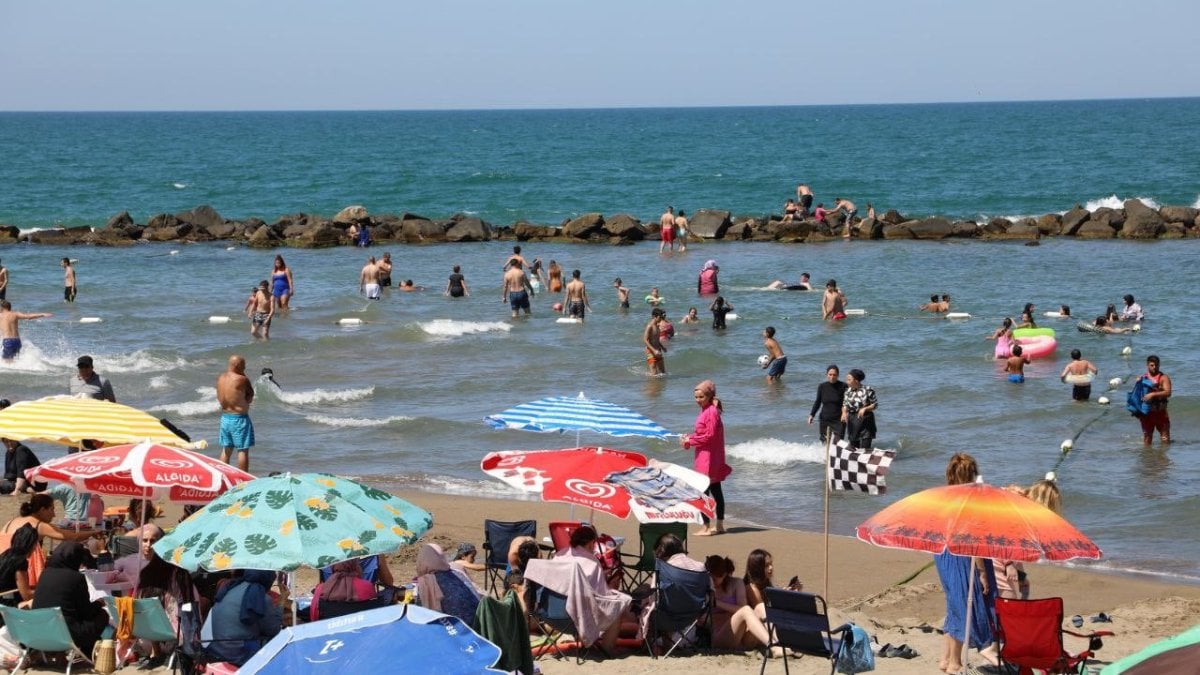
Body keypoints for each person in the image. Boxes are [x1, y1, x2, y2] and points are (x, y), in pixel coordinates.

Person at [936, 453, 999, 673]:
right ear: (971, 474)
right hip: (964, 556)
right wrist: (982, 572)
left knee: (954, 604)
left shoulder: (943, 497)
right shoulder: (970, 502)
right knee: (966, 606)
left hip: (944, 554)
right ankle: (955, 662)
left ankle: (946, 660)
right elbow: (974, 542)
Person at [33, 542, 110, 656]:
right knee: (102, 615)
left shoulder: (44, 574)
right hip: (66, 634)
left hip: (40, 632)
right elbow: (86, 612)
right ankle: (88, 650)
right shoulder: (76, 578)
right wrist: (99, 604)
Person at [1, 494, 94, 587]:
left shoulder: (12, 521)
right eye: (52, 509)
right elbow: (73, 537)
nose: (54, 514)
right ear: (42, 510)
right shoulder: (38, 524)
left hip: (3, 562)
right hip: (18, 566)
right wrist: (93, 533)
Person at [682, 380, 732, 536]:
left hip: (708, 459)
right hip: (710, 457)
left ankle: (707, 527)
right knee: (715, 490)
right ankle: (719, 525)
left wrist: (691, 440)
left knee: (702, 493)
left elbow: (709, 436)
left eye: (701, 397)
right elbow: (702, 434)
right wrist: (689, 438)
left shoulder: (711, 412)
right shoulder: (707, 410)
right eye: (696, 397)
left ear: (709, 396)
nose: (698, 400)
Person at [207, 570, 282, 667]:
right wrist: (282, 602)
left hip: (215, 648)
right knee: (278, 642)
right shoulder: (261, 597)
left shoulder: (232, 587)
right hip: (237, 653)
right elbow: (274, 630)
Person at [704, 555, 773, 652]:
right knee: (746, 610)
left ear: (724, 575)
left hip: (742, 636)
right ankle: (772, 646)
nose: (712, 582)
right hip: (720, 636)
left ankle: (777, 644)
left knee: (760, 607)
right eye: (710, 578)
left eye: (715, 579)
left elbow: (741, 608)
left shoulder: (736, 583)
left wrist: (717, 603)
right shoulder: (705, 587)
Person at [416, 543, 481, 627]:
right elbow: (474, 594)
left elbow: (420, 611)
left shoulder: (425, 583)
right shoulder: (457, 573)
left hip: (452, 627)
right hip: (475, 623)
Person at [217, 355, 255, 471]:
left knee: (226, 449)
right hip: (239, 419)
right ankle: (244, 480)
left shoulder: (221, 378)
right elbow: (250, 396)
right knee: (243, 450)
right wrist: (243, 375)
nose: (244, 369)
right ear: (238, 366)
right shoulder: (242, 379)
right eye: (243, 366)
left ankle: (223, 475)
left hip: (225, 418)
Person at [310, 559, 377, 621]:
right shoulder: (367, 587)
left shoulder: (320, 590)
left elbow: (314, 617)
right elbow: (372, 615)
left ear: (333, 566)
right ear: (356, 565)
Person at [0, 524, 37, 611]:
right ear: (31, 544)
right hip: (6, 604)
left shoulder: (5, 554)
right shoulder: (20, 561)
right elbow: (26, 595)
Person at [808, 365, 848, 444]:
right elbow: (818, 402)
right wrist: (812, 415)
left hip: (839, 420)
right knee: (825, 442)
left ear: (838, 375)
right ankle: (826, 456)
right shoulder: (822, 386)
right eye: (830, 374)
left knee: (839, 443)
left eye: (834, 375)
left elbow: (847, 401)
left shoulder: (843, 386)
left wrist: (845, 413)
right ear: (826, 374)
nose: (832, 377)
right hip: (825, 419)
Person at [841, 369, 878, 449]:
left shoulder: (868, 390)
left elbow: (875, 405)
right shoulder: (847, 391)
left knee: (865, 448)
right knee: (853, 447)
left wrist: (865, 409)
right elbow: (844, 405)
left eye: (849, 379)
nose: (847, 381)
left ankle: (866, 460)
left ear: (856, 380)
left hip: (866, 421)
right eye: (847, 379)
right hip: (852, 421)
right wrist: (844, 413)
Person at [1139, 355, 1171, 445]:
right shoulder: (1143, 378)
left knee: (1165, 438)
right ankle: (1148, 457)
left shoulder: (1163, 377)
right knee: (1147, 439)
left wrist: (1153, 394)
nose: (1154, 367)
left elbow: (1168, 392)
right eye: (1152, 365)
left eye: (1156, 365)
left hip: (1160, 413)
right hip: (1147, 414)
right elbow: (1138, 395)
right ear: (1147, 365)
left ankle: (1163, 457)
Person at [643, 309, 667, 375]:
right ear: (654, 316)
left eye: (661, 317)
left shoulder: (657, 326)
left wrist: (662, 347)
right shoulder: (649, 326)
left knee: (663, 372)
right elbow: (645, 339)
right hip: (650, 352)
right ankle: (653, 385)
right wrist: (654, 350)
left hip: (658, 351)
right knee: (654, 373)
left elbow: (656, 339)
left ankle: (661, 385)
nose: (660, 319)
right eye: (659, 317)